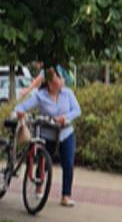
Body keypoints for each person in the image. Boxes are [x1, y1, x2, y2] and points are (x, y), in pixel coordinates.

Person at [14, 64, 81, 207]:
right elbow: (21, 107)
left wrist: (65, 117)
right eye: (58, 78)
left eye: (62, 78)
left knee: (68, 163)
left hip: (65, 132)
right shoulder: (40, 96)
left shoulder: (67, 93)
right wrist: (20, 113)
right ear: (50, 83)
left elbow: (77, 110)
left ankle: (66, 196)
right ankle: (39, 186)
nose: (62, 81)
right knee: (44, 162)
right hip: (47, 134)